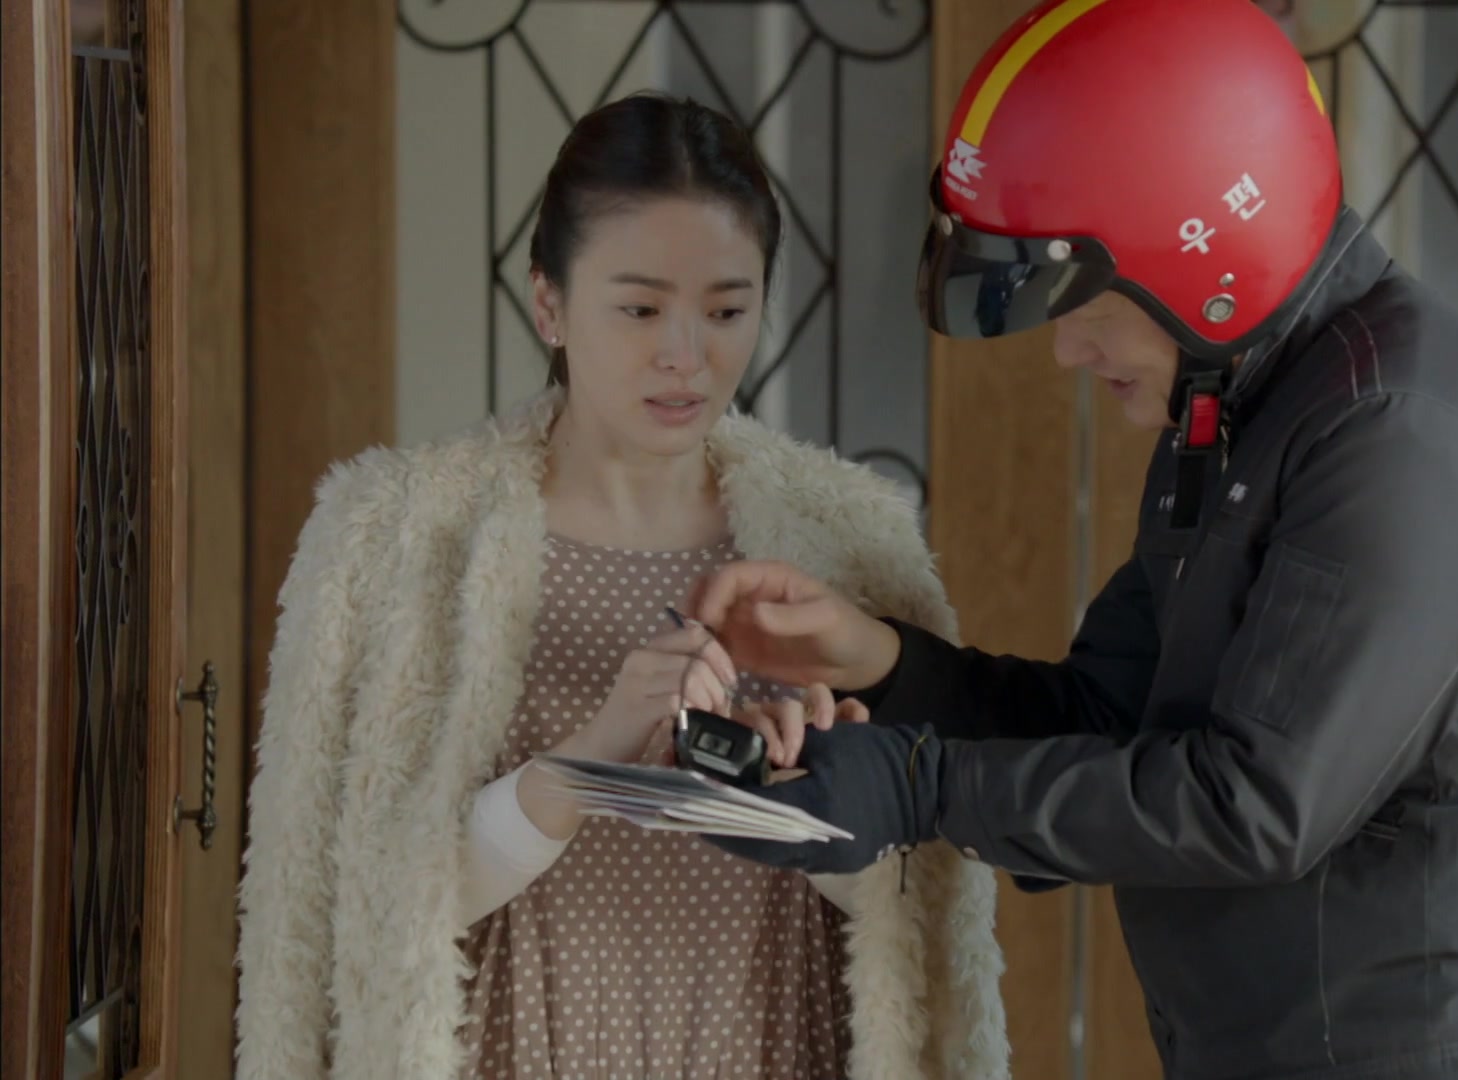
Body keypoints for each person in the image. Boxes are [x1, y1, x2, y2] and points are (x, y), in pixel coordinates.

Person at [686, 2, 1458, 1078]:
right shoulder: (1245, 413)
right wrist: (882, 665)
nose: (1068, 351)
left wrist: (916, 787)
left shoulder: (1399, 430)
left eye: (1082, 300)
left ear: (1199, 257)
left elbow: (1256, 803)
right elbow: (1111, 720)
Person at [233, 92, 1010, 1080]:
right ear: (549, 303)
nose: (686, 355)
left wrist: (817, 802)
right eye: (640, 309)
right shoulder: (392, 539)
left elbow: (927, 923)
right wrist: (576, 772)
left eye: (727, 310)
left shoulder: (855, 545)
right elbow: (328, 920)